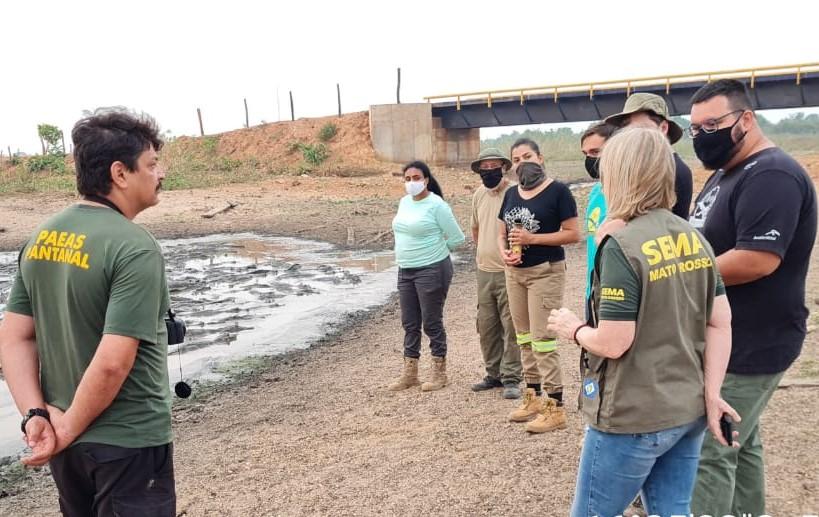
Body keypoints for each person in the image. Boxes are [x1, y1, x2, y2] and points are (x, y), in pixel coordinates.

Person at [547, 127, 738, 517]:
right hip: (687, 410)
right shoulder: (694, 237)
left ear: (618, 175)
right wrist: (712, 392)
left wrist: (573, 328)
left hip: (633, 415)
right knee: (672, 510)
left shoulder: (622, 245)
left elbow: (615, 342)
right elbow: (721, 322)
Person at [0, 108, 177, 516]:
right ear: (120, 173)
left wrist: (36, 415)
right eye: (151, 164)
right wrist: (65, 426)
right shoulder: (135, 247)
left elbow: (13, 337)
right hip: (128, 439)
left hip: (69, 445)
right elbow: (113, 362)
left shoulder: (41, 237)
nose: (160, 173)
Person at [687, 79, 817, 517]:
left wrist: (677, 273)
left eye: (712, 125)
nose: (702, 136)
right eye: (695, 129)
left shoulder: (772, 173)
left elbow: (758, 258)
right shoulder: (727, 173)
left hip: (753, 340)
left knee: (712, 443)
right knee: (742, 439)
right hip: (727, 337)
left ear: (745, 119)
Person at [497, 138, 581, 433]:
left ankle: (554, 407)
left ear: (541, 158)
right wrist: (503, 252)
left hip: (546, 272)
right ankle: (531, 397)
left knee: (543, 339)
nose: (523, 163)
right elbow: (502, 230)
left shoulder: (559, 192)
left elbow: (573, 234)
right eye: (517, 159)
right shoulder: (510, 193)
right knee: (523, 337)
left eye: (528, 156)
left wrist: (533, 239)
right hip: (515, 273)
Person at [389, 160, 465, 392]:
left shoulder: (437, 205)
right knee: (410, 323)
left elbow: (457, 238)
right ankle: (410, 373)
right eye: (408, 179)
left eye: (416, 178)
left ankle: (439, 373)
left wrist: (436, 253)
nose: (412, 183)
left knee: (431, 322)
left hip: (431, 269)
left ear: (426, 180)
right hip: (405, 269)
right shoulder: (404, 202)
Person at [469, 148, 522, 399]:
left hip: (509, 270)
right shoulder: (478, 194)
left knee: (511, 325)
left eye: (493, 166)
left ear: (503, 167)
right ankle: (493, 374)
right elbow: (476, 229)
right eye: (484, 167)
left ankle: (512, 377)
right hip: (484, 271)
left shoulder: (515, 192)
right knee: (486, 325)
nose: (489, 171)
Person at [605, 92, 693, 219]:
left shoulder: (675, 170)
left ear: (663, 128)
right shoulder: (638, 165)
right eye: (626, 127)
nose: (630, 134)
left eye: (639, 129)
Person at [580, 121, 618, 301]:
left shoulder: (628, 196)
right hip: (593, 289)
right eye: (585, 154)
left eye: (595, 152)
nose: (589, 159)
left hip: (616, 290)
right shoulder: (596, 191)